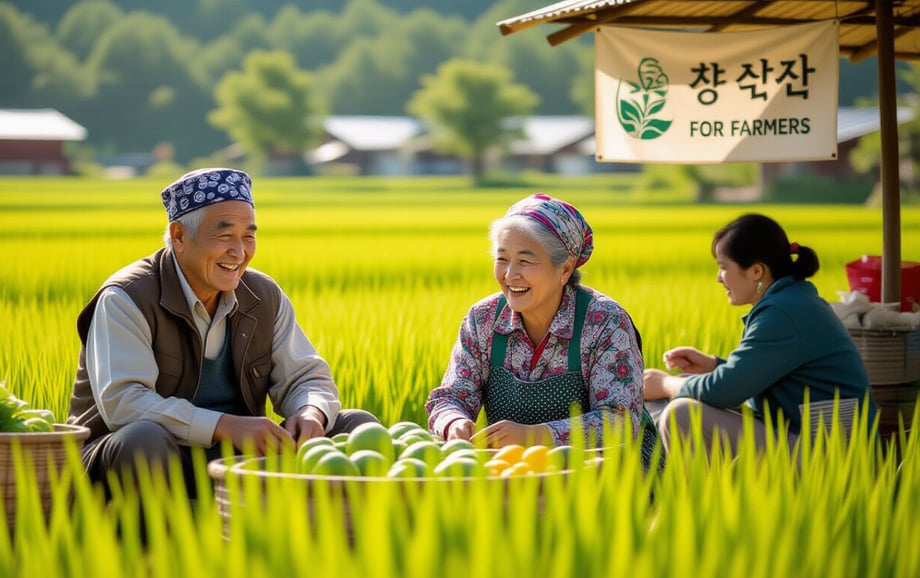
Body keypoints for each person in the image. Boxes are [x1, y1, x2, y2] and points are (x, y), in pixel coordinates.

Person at [68, 168, 378, 494]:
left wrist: (310, 411)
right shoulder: (127, 297)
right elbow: (124, 404)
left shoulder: (262, 296)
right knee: (143, 439)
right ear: (179, 236)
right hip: (142, 455)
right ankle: (151, 543)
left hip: (232, 456)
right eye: (224, 235)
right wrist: (224, 426)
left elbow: (306, 377)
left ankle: (335, 541)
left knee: (354, 425)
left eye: (249, 236)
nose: (240, 252)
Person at [425, 193, 659, 468]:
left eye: (525, 261)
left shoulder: (604, 321)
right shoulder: (483, 319)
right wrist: (454, 422)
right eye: (502, 259)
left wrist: (536, 436)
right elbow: (452, 396)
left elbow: (619, 421)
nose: (510, 274)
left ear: (565, 269)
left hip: (608, 470)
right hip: (518, 469)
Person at [643, 213, 877, 455]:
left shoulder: (783, 312)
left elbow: (726, 390)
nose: (718, 278)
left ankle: (695, 492)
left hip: (828, 455)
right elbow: (760, 377)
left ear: (756, 271)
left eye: (723, 267)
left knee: (682, 414)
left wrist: (666, 383)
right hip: (814, 440)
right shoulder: (794, 301)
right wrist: (713, 365)